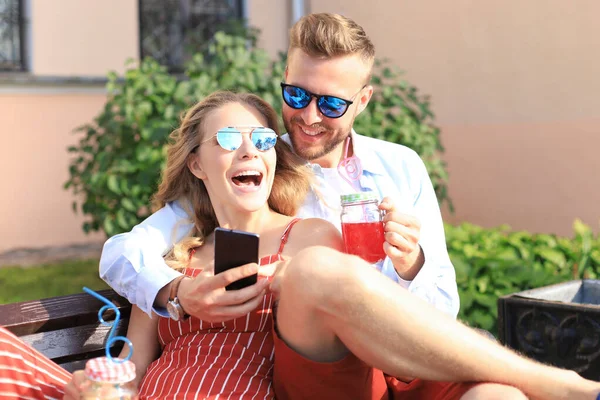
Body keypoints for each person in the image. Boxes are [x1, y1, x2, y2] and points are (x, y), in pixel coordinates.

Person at [2, 91, 599, 400]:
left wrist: (404, 261)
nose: (249, 149)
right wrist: (107, 383)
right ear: (198, 164)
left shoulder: (308, 233)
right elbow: (134, 360)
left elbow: (362, 319)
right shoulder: (166, 257)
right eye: (229, 138)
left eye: (263, 138)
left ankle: (556, 386)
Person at [99, 13, 459, 328]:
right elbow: (121, 252)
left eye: (332, 104)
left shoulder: (400, 166)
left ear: (361, 101)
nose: (310, 116)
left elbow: (445, 310)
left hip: (396, 356)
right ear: (285, 77)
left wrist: (411, 265)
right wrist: (176, 292)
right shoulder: (253, 171)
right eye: (298, 95)